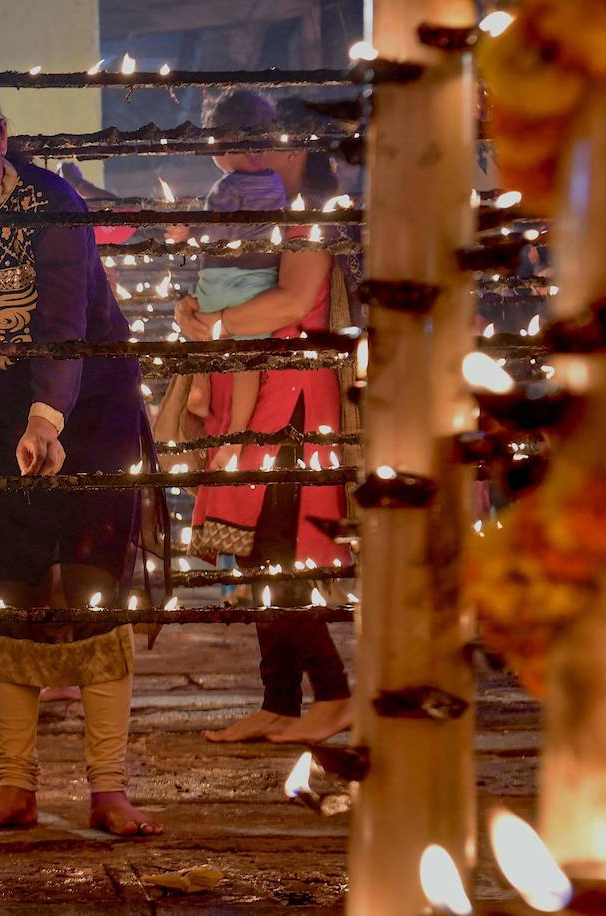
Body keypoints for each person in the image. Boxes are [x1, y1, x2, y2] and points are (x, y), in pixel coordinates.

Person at [0, 83, 162, 837]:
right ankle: (15, 784)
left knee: (91, 585)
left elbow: (63, 324)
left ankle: (108, 788)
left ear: (3, 137)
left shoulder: (53, 204)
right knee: (6, 584)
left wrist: (50, 420)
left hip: (91, 399)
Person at [171, 91, 353, 746]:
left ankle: (332, 694)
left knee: (278, 548)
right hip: (244, 386)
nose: (246, 156)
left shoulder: (308, 216)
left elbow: (296, 297)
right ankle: (280, 700)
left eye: (262, 142)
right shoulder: (251, 208)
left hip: (292, 401)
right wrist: (196, 317)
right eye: (235, 145)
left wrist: (211, 324)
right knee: (250, 550)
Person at [184, 90, 289, 474]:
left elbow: (216, 230)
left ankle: (199, 388)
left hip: (220, 275)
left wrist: (188, 232)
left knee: (197, 328)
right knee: (247, 360)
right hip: (260, 279)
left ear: (224, 146)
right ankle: (238, 434)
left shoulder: (226, 187)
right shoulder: (276, 183)